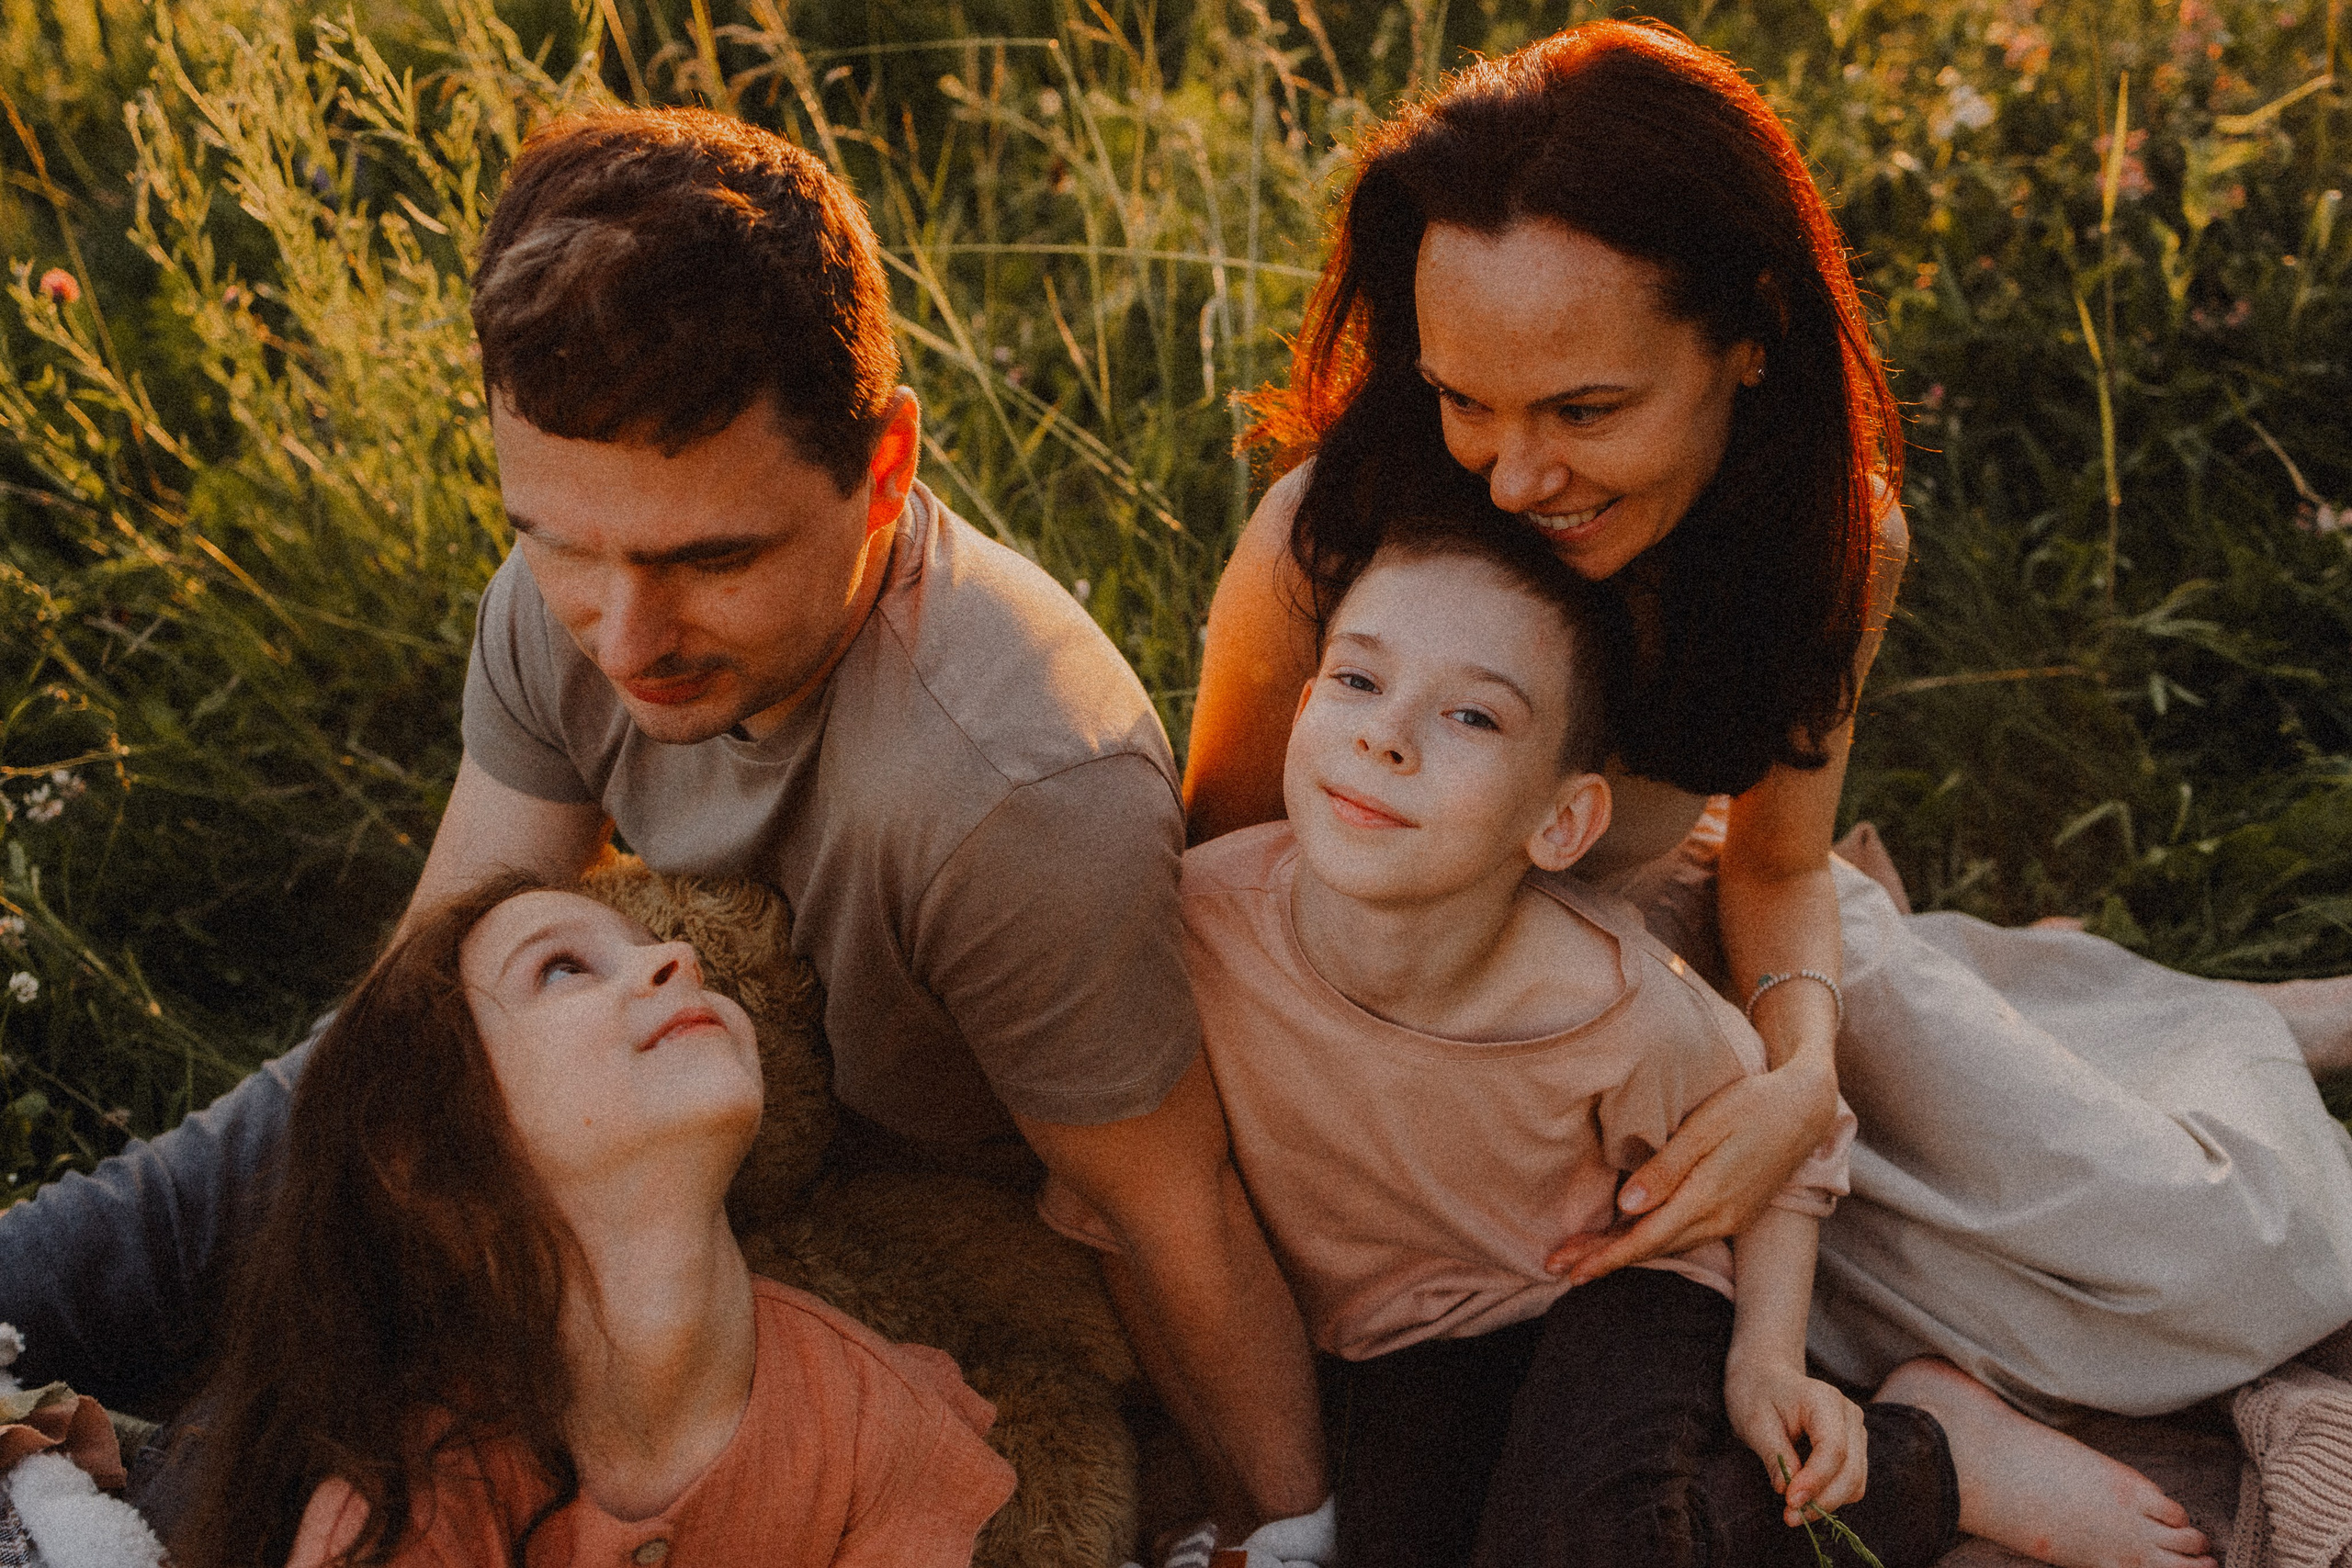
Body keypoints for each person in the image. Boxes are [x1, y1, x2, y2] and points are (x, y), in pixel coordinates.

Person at [0, 108, 1326, 1544]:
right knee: (281, 1136)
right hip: (630, 1118)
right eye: (560, 542)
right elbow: (430, 1014)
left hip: (870, 1249)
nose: (626, 632)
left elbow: (1164, 1211)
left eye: (712, 558)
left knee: (320, 1485)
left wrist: (1293, 1524)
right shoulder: (573, 606)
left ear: (883, 469)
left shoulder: (1004, 793)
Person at [1182, 20, 2352, 1568]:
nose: (1516, 474)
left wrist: (1797, 1079)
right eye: (1466, 396)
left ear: (1748, 334)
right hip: (1441, 1050)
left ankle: (2205, 1025)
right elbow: (1230, 877)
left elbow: (1777, 867)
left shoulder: (1825, 540)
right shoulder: (1328, 542)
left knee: (2222, 1274)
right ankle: (2104, 1040)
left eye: (1586, 410)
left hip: (1706, 962)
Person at [1078, 513, 1967, 1567]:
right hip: (1423, 1337)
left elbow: (1788, 1143)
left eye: (1470, 715)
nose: (1387, 736)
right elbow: (1131, 1199)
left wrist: (1767, 1363)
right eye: (1358, 683)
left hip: (1624, 1284)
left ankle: (1928, 1459)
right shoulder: (1193, 932)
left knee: (1586, 1545)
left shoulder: (1611, 1005)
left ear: (1561, 822)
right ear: (1305, 705)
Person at [172, 874, 1017, 1568]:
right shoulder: (408, 1510)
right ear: (423, 1155)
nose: (676, 958)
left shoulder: (880, 1417)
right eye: (565, 967)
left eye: (659, 947)